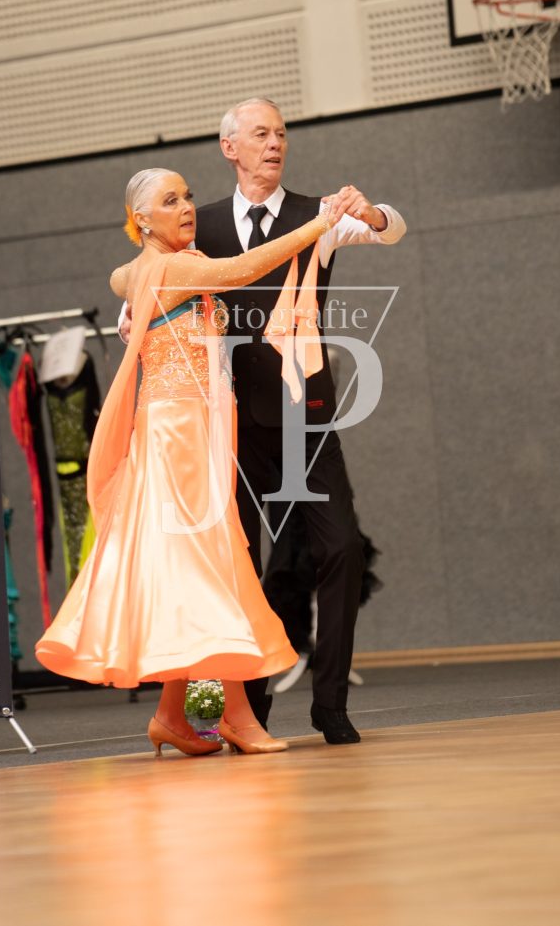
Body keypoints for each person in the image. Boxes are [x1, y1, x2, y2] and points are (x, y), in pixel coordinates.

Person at [36, 167, 350, 757]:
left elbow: (119, 275)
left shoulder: (148, 268)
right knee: (211, 567)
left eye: (186, 196)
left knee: (189, 571)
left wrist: (136, 283)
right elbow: (242, 270)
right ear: (142, 220)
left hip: (182, 432)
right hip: (177, 436)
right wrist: (317, 225)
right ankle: (238, 716)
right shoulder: (175, 269)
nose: (186, 206)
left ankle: (170, 717)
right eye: (170, 200)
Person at [120, 99, 407, 745]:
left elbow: (392, 229)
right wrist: (131, 315)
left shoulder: (319, 215)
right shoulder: (197, 225)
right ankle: (244, 711)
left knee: (342, 547)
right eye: (260, 134)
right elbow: (152, 281)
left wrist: (372, 214)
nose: (274, 143)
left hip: (307, 416)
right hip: (231, 424)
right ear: (231, 148)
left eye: (280, 133)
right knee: (237, 563)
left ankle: (330, 703)